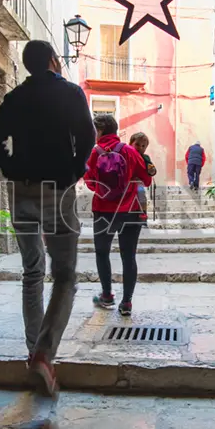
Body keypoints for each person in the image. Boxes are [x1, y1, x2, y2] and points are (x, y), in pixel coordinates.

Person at [0, 40, 95, 398]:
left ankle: (33, 351)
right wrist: (72, 172)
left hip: (21, 193)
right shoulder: (71, 93)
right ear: (52, 60)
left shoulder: (15, 97)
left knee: (32, 272)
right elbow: (88, 138)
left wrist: (13, 168)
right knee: (64, 277)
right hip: (56, 192)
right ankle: (45, 355)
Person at [86, 114, 152, 316]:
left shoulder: (94, 152)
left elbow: (89, 181)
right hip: (131, 210)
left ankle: (107, 295)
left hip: (104, 210)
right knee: (128, 255)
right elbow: (147, 181)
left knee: (102, 252)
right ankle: (127, 303)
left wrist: (106, 192)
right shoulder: (130, 151)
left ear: (100, 131)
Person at [128, 132, 157, 217]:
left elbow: (151, 167)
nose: (140, 147)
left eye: (143, 146)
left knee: (141, 195)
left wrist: (152, 171)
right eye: (137, 144)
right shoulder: (127, 153)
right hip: (127, 182)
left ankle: (143, 214)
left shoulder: (145, 157)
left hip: (139, 182)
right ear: (130, 144)